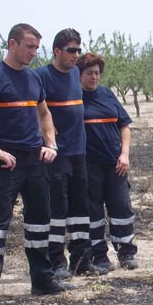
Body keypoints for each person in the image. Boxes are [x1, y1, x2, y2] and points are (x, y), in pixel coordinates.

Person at [0, 23, 75, 305]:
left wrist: (50, 144)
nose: (33, 53)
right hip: (5, 163)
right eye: (29, 47)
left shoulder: (33, 79)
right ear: (12, 44)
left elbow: (44, 112)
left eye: (37, 48)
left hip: (35, 161)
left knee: (40, 222)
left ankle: (42, 280)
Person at [35, 28, 108, 279]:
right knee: (58, 209)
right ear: (57, 51)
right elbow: (33, 110)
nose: (76, 54)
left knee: (80, 208)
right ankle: (57, 262)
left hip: (80, 153)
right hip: (56, 155)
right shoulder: (41, 76)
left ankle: (81, 261)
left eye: (78, 49)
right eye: (71, 50)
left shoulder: (76, 74)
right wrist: (45, 136)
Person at [77, 53, 138, 270]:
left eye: (97, 73)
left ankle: (126, 252)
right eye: (89, 73)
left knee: (121, 207)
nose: (94, 77)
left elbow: (124, 126)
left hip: (115, 164)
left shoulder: (107, 95)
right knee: (92, 211)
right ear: (79, 74)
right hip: (88, 165)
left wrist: (125, 154)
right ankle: (99, 256)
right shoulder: (74, 97)